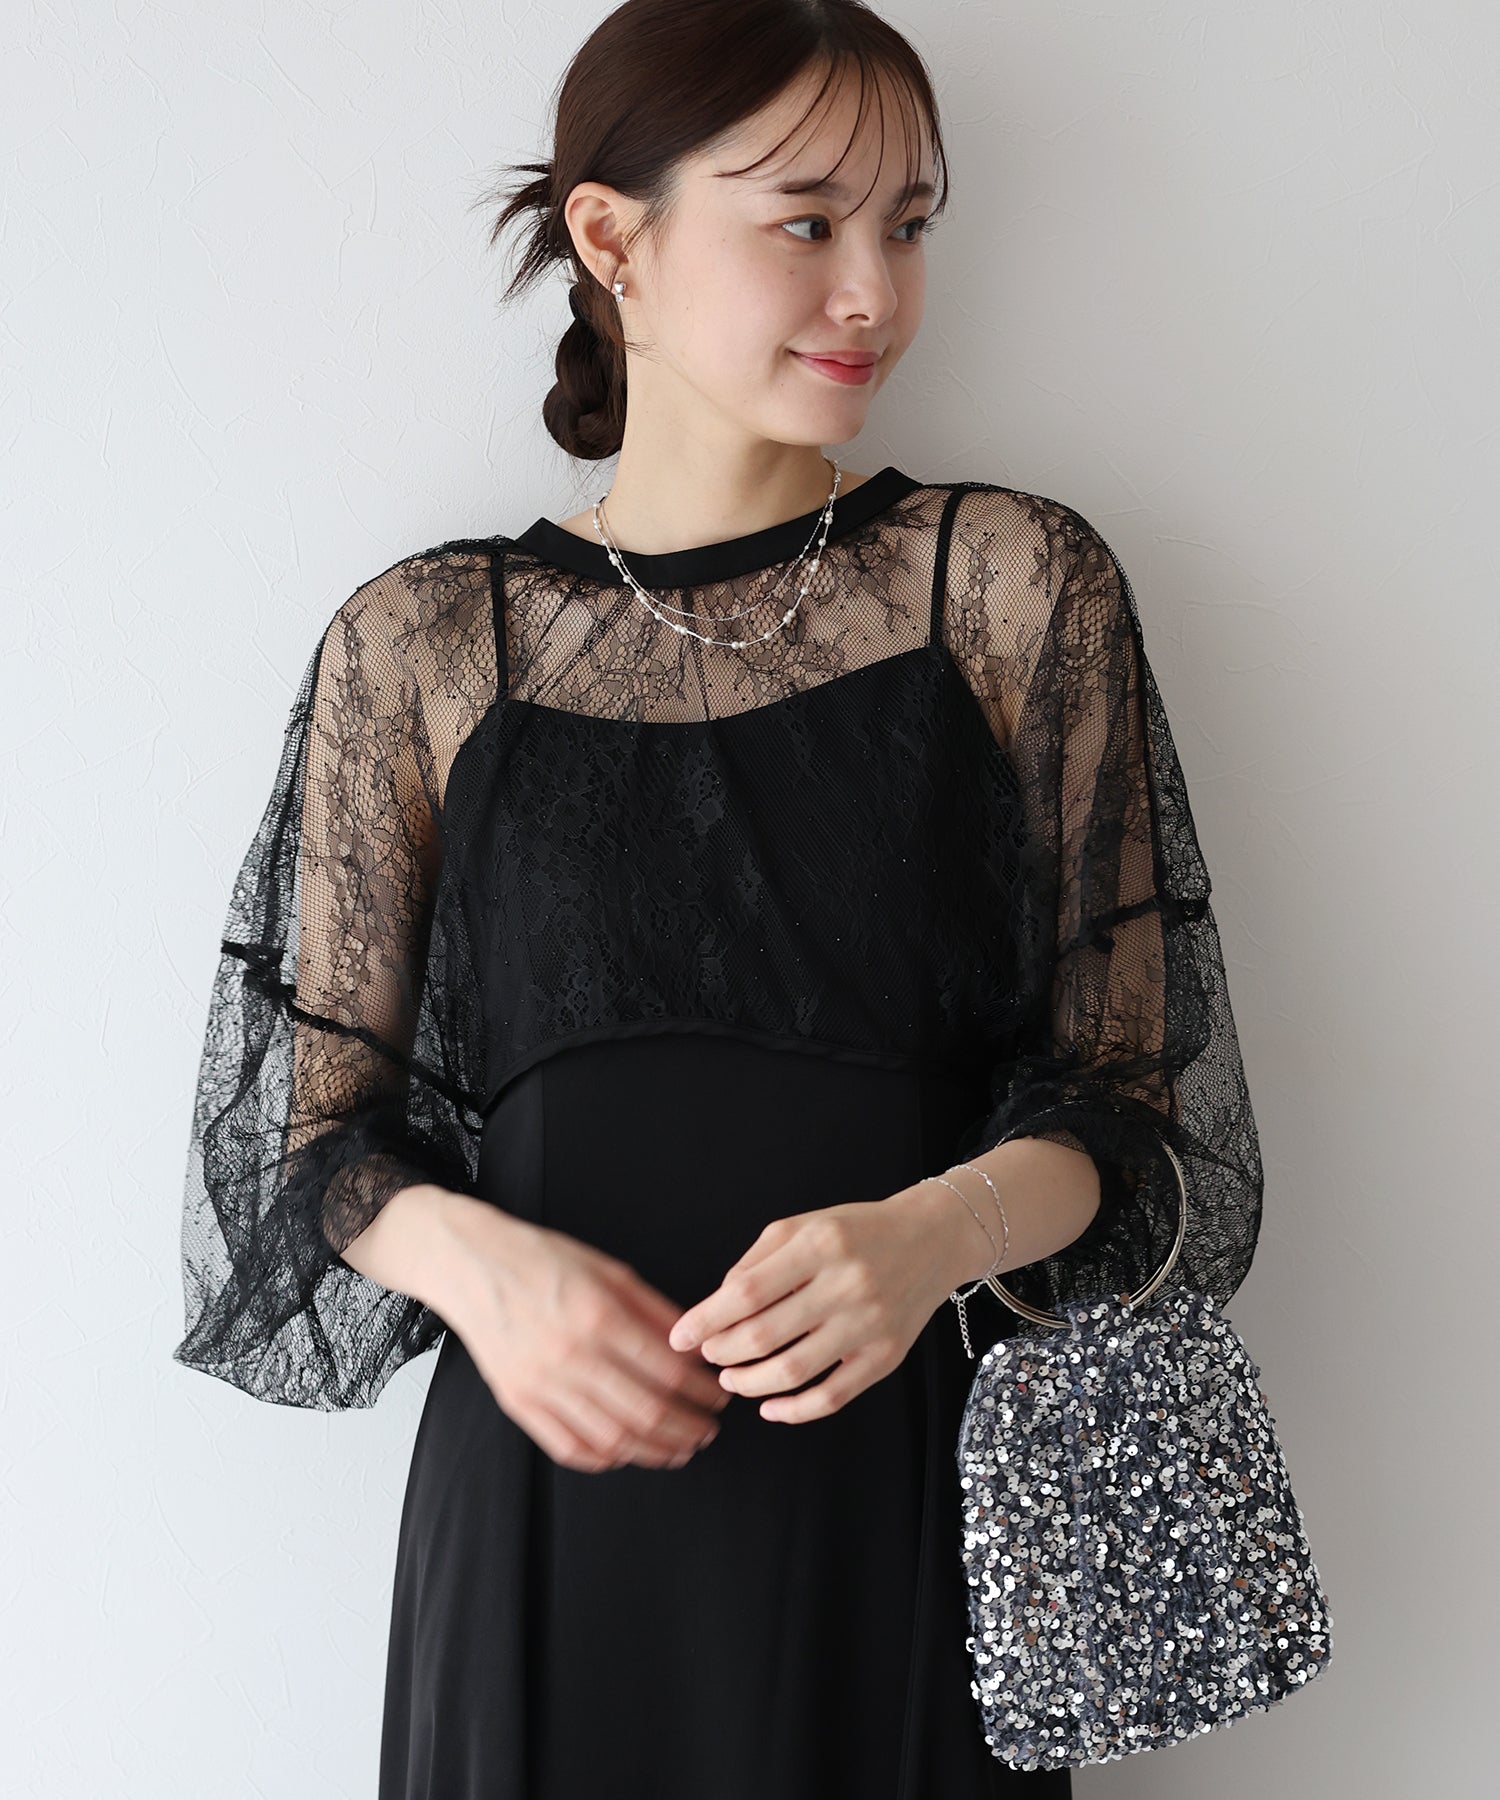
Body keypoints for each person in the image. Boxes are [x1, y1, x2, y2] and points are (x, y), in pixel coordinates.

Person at [171, 3, 1263, 1795]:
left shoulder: (1007, 587)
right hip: (543, 1529)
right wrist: (481, 1268)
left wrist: (934, 1236)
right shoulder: (424, 644)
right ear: (615, 240)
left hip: (901, 1516)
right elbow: (301, 1142)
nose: (874, 292)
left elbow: (1133, 1118)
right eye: (806, 221)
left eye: (908, 223)